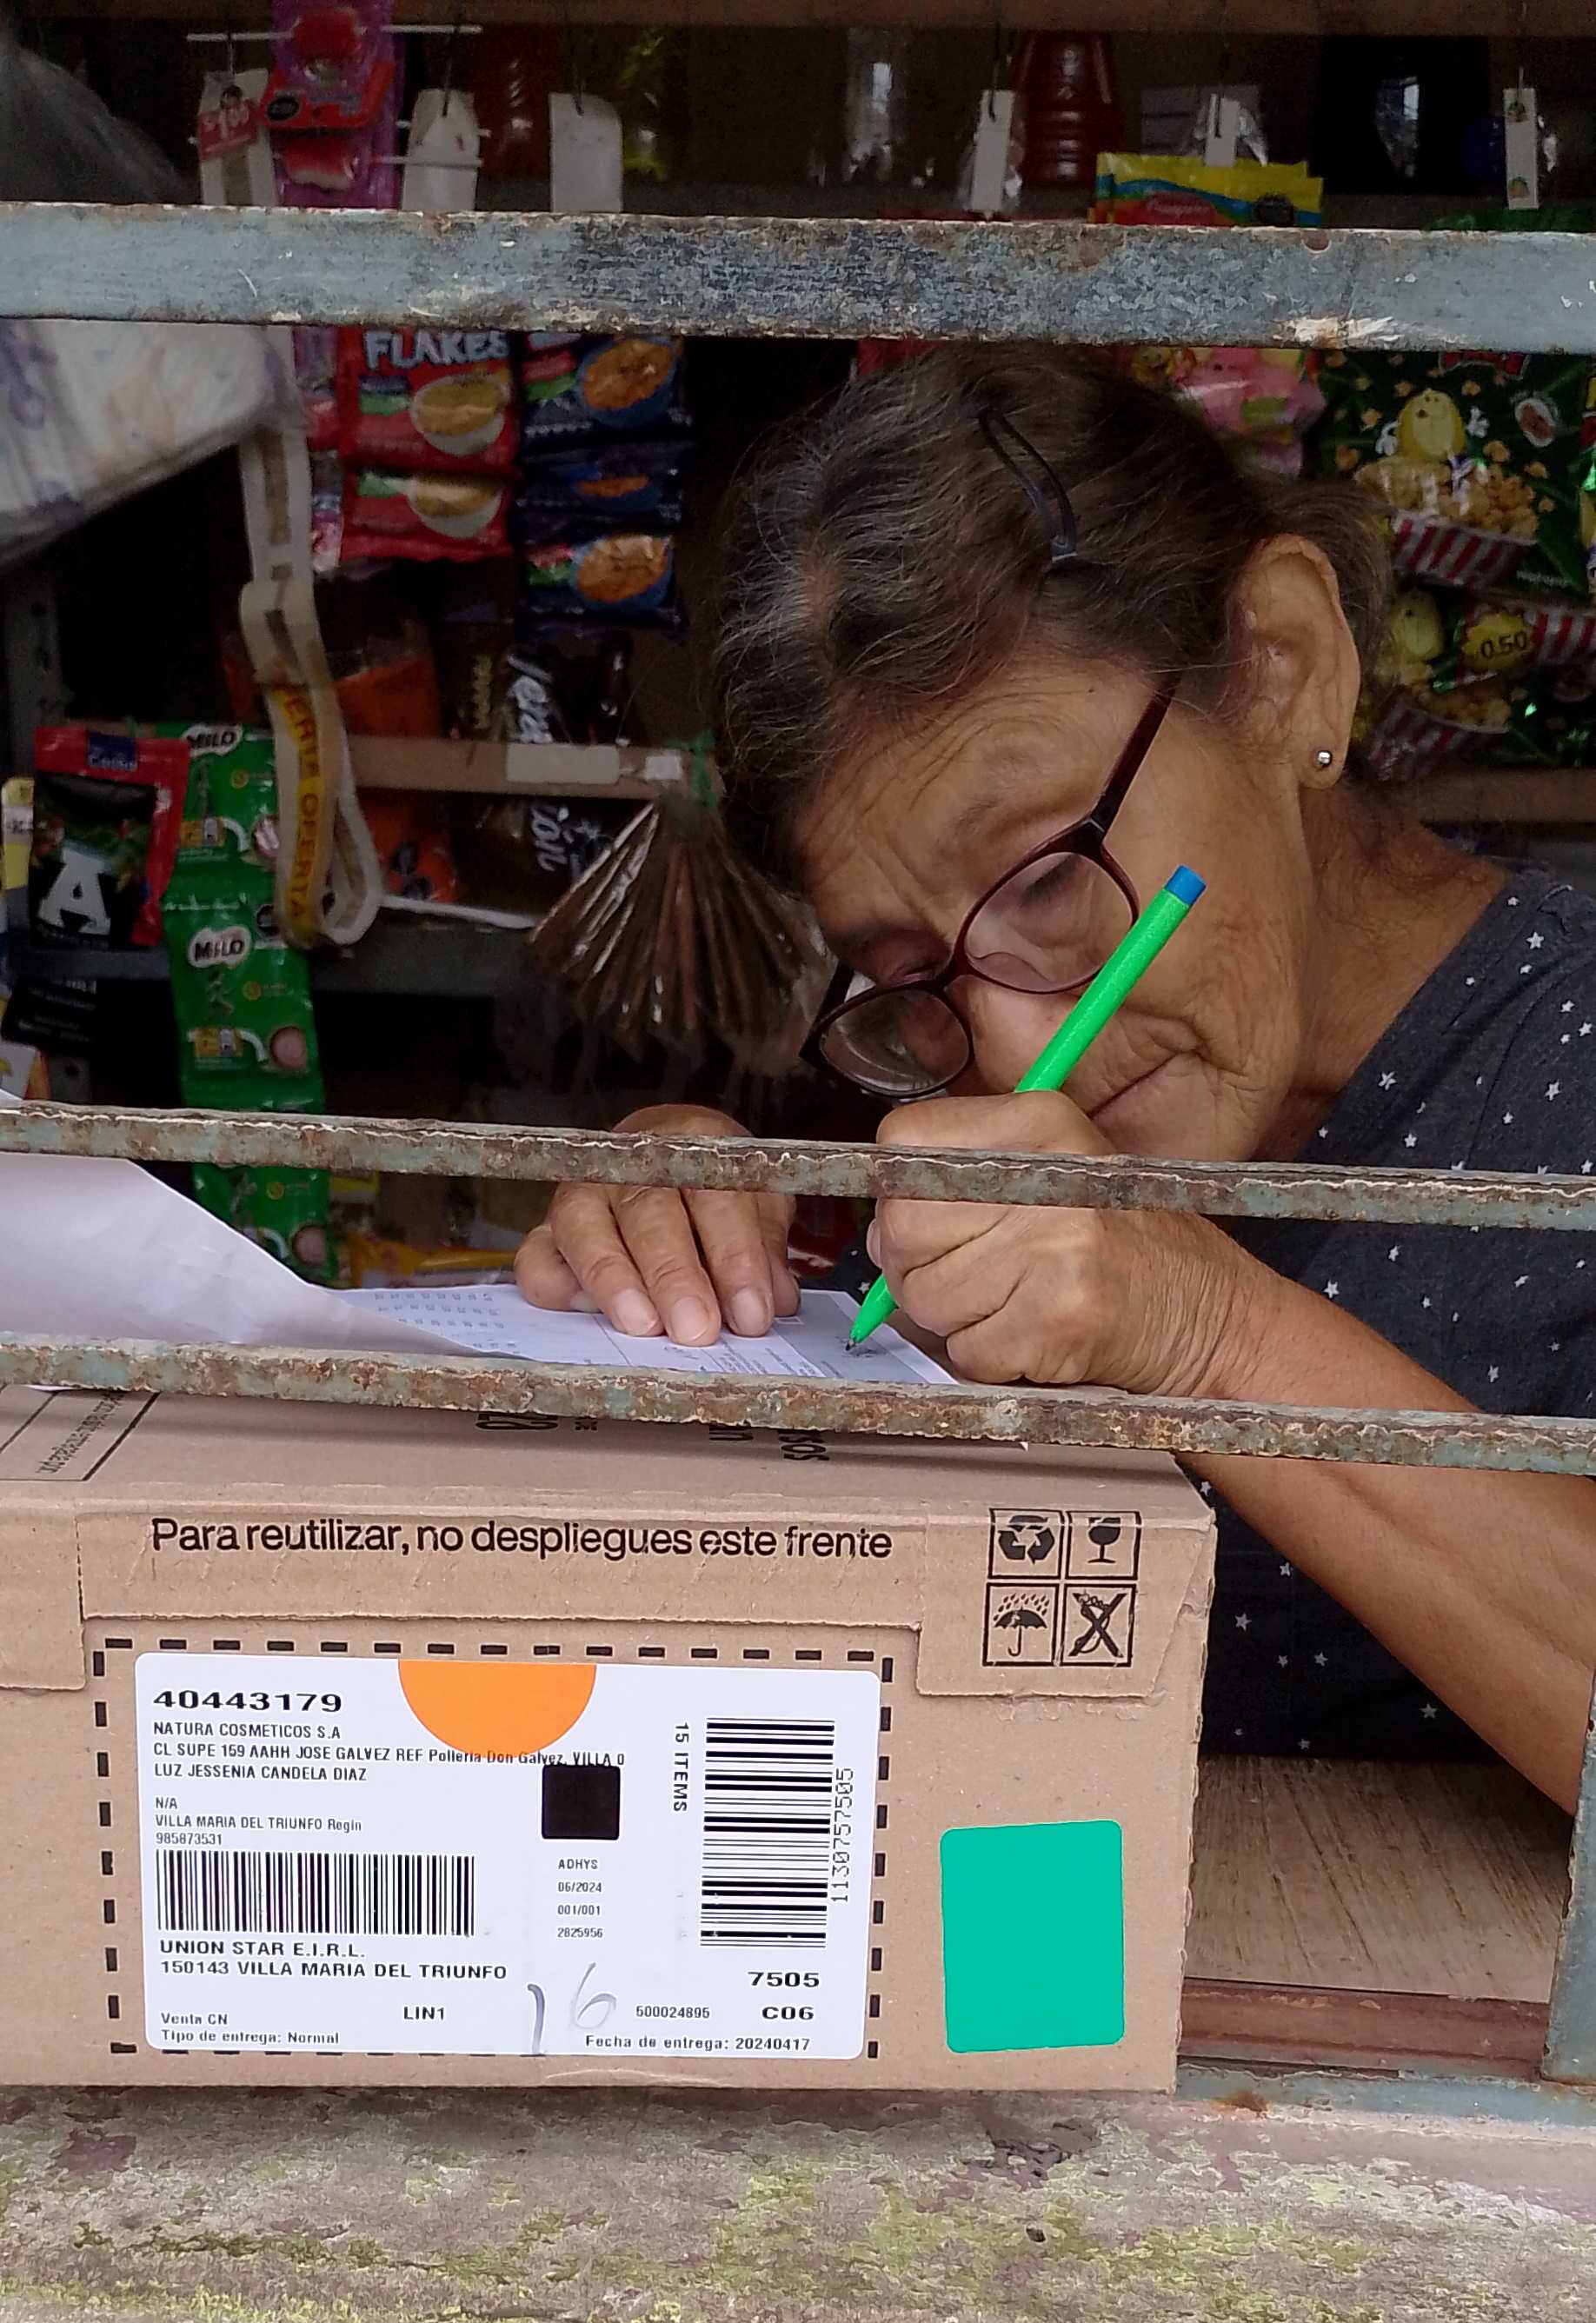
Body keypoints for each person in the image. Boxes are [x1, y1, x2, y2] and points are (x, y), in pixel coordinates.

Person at [515, 346, 1596, 1812]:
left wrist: (1210, 1336)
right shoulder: (973, 1088)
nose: (1023, 1052)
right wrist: (687, 1284)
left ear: (1284, 667)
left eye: (1046, 880)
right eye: (910, 971)